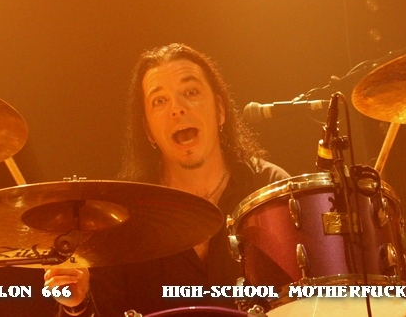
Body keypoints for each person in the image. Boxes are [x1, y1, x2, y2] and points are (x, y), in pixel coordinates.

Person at [44, 43, 290, 316]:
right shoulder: (120, 217)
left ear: (220, 110)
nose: (177, 109)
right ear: (148, 130)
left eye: (191, 92)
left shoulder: (269, 189)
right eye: (159, 101)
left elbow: (305, 299)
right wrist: (77, 303)